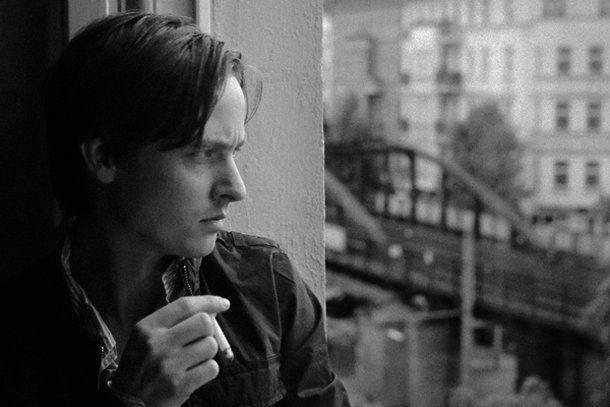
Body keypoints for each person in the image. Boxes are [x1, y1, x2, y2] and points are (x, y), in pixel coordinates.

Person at [0, 12, 350, 407]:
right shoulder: (13, 335)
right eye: (203, 153)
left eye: (234, 152)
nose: (236, 189)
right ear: (105, 157)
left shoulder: (266, 285)